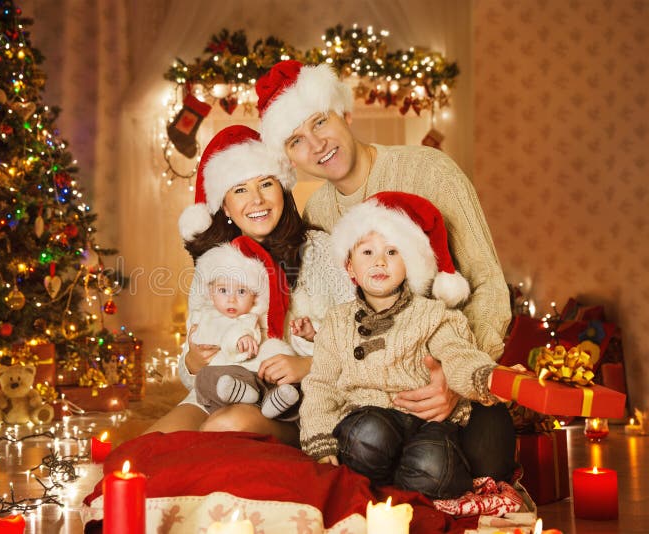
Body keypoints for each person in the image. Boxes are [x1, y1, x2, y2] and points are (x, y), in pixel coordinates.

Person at [256, 60, 515, 480]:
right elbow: (332, 316)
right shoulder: (318, 211)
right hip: (370, 394)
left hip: (450, 369)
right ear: (288, 156)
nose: (317, 144)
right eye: (296, 140)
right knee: (360, 452)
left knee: (480, 465)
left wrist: (453, 378)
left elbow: (486, 284)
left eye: (320, 121)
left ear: (345, 113)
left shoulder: (430, 170)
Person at [144, 125, 354, 445]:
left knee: (225, 427)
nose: (256, 200)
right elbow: (194, 371)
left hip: (295, 402)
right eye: (240, 189)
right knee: (150, 446)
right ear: (226, 207)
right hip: (221, 392)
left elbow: (361, 340)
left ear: (282, 188)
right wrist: (192, 361)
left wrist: (307, 365)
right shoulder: (213, 266)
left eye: (265, 184)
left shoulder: (321, 250)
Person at [300, 191, 501, 499]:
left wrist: (482, 376)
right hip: (369, 417)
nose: (380, 261)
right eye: (367, 252)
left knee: (435, 466)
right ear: (350, 268)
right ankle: (384, 472)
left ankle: (408, 477)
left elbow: (458, 354)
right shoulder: (337, 322)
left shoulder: (433, 314)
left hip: (428, 422)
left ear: (411, 263)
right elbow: (321, 385)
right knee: (367, 436)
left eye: (393, 252)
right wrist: (319, 436)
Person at [188, 237, 301, 420]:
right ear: (211, 293)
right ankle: (239, 392)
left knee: (270, 376)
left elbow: (248, 332)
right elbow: (199, 338)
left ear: (254, 296)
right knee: (204, 379)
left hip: (247, 375)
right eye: (223, 291)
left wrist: (243, 339)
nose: (231, 299)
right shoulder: (205, 315)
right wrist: (194, 352)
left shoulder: (250, 317)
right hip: (221, 378)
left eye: (241, 292)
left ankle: (274, 400)